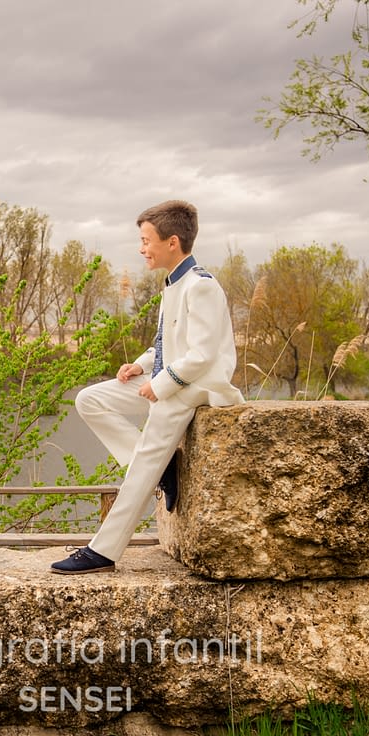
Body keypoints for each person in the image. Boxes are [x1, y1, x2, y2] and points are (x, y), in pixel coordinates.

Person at [51, 200, 244, 575]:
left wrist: (161, 384)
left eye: (146, 240)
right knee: (90, 399)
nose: (141, 249)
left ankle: (103, 550)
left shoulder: (200, 286)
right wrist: (139, 366)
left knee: (142, 465)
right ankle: (163, 465)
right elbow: (168, 343)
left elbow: (203, 355)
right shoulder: (174, 283)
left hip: (196, 387)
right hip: (170, 377)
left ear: (173, 241)